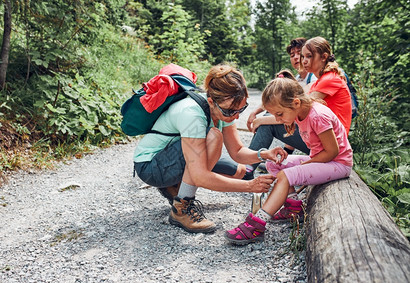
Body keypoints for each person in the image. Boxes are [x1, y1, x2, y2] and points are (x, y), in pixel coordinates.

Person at [133, 64, 286, 234]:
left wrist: (263, 154)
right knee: (214, 137)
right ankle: (181, 209)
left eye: (241, 109)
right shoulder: (192, 114)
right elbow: (200, 177)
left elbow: (237, 151)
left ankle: (176, 185)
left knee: (240, 171)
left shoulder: (224, 108)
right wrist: (250, 186)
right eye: (231, 111)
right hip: (150, 166)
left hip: (172, 156)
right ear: (211, 101)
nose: (235, 116)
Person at [225, 70, 353, 245]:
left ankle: (257, 223)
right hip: (323, 159)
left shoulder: (318, 116)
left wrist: (305, 165)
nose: (278, 118)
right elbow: (280, 120)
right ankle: (294, 208)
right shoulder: (299, 111)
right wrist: (261, 120)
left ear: (296, 102)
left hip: (338, 164)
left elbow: (332, 152)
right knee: (274, 163)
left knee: (287, 175)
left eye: (279, 114)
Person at [246, 38, 316, 172]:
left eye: (299, 53)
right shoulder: (299, 78)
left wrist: (261, 120)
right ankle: (258, 162)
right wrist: (256, 112)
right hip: (309, 133)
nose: (296, 57)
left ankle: (248, 167)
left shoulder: (314, 78)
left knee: (269, 122)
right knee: (272, 115)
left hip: (322, 140)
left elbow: (300, 110)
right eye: (292, 55)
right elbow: (277, 100)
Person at [301, 36, 352, 133]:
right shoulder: (321, 80)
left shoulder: (330, 79)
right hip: (324, 133)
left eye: (309, 56)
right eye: (303, 57)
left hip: (334, 140)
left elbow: (302, 109)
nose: (304, 61)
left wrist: (263, 120)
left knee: (270, 126)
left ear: (324, 57)